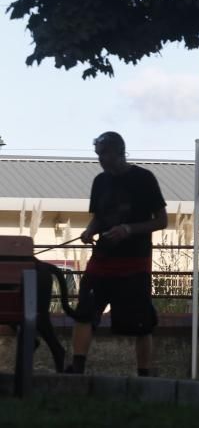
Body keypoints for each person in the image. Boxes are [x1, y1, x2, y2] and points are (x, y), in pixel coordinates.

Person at [66, 131, 168, 375]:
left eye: (104, 154)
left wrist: (128, 229)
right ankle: (77, 367)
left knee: (142, 323)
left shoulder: (144, 179)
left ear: (119, 152)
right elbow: (99, 218)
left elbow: (162, 221)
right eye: (98, 155)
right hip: (102, 259)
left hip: (135, 262)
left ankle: (144, 374)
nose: (100, 159)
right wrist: (90, 231)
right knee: (85, 312)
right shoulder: (100, 182)